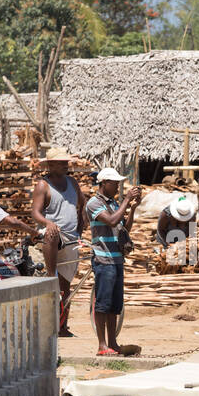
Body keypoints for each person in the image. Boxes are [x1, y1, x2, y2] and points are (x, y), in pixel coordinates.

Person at [86, 167, 141, 356]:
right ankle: (102, 345)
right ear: (103, 184)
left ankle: (113, 343)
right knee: (102, 304)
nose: (118, 186)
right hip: (103, 258)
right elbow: (110, 221)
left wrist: (131, 208)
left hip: (116, 258)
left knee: (114, 305)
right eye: (115, 183)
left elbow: (124, 228)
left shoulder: (114, 203)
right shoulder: (94, 204)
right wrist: (126, 201)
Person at [31, 147, 86, 336]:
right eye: (61, 163)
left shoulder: (72, 182)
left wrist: (80, 229)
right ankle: (50, 272)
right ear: (50, 165)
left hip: (71, 238)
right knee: (51, 234)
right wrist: (48, 222)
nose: (65, 166)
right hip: (53, 235)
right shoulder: (43, 185)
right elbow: (35, 212)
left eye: (66, 163)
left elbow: (82, 206)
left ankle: (62, 326)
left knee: (65, 286)